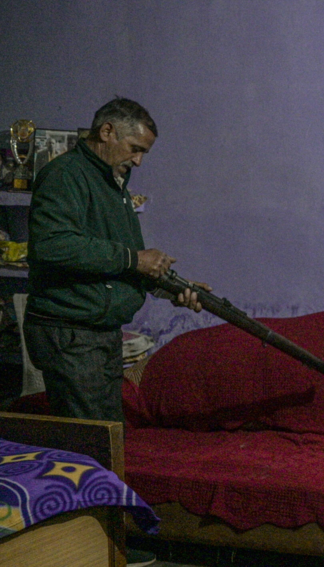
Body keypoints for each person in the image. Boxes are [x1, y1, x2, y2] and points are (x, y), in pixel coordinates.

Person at [23, 97, 204, 567]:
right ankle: (96, 550)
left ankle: (106, 544)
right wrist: (133, 259)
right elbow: (52, 245)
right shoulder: (65, 175)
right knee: (90, 447)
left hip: (97, 333)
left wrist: (174, 289)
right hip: (69, 332)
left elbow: (125, 264)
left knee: (105, 441)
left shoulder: (112, 182)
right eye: (134, 148)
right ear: (106, 132)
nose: (138, 160)